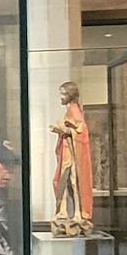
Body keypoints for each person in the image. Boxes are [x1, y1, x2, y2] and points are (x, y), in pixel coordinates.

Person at [50, 81, 93, 235]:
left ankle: (78, 214)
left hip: (72, 153)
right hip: (67, 151)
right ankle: (66, 213)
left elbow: (80, 129)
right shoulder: (71, 110)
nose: (61, 97)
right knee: (66, 181)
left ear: (70, 95)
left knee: (74, 181)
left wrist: (62, 128)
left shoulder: (74, 109)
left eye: (63, 94)